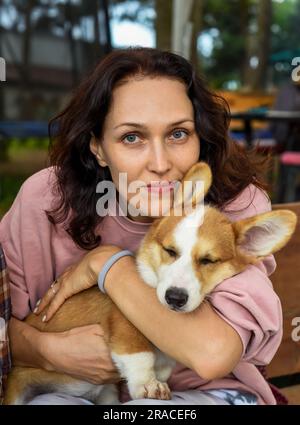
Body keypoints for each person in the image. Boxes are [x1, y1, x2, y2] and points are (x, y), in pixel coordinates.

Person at [0, 47, 283, 405]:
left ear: (200, 138)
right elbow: (7, 327)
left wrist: (106, 265)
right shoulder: (45, 200)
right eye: (131, 137)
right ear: (98, 148)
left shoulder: (233, 210)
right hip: (66, 388)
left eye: (178, 134)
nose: (160, 163)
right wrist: (47, 350)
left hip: (203, 394)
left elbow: (212, 354)